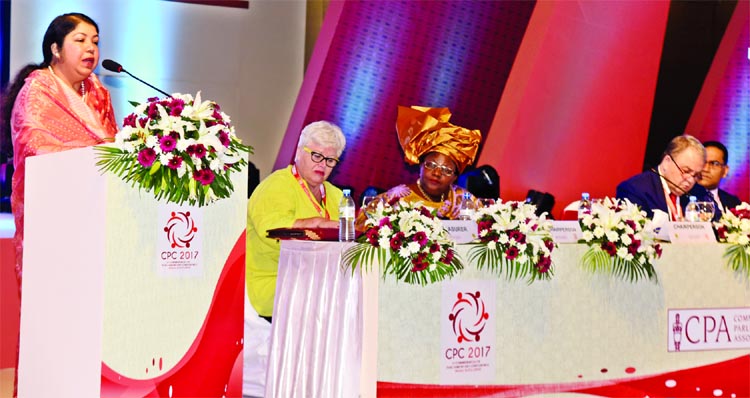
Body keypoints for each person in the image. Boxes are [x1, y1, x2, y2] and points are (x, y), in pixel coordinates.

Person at [0, 12, 118, 288]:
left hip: (94, 212)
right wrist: (99, 150)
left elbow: (112, 144)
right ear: (55, 49)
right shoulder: (38, 91)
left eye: (95, 41)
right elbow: (35, 148)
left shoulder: (99, 92)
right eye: (80, 40)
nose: (91, 48)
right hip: (51, 214)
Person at [243, 120, 345, 397]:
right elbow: (271, 230)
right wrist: (315, 224)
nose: (322, 164)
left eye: (331, 160)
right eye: (316, 155)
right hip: (273, 285)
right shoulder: (276, 185)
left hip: (319, 287)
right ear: (299, 151)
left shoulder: (336, 196)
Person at [357, 105, 481, 225]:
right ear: (420, 166)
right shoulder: (399, 197)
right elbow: (362, 223)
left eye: (447, 170)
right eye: (431, 165)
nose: (437, 173)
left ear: (455, 177)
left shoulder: (464, 201)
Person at [616, 134, 709, 220]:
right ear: (667, 162)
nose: (691, 180)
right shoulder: (635, 189)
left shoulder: (699, 193)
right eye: (686, 171)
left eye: (696, 175)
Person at [693, 140, 742, 215]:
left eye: (714, 163)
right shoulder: (684, 196)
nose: (705, 169)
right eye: (703, 161)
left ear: (725, 171)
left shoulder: (734, 203)